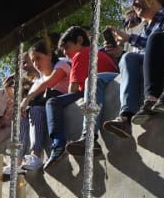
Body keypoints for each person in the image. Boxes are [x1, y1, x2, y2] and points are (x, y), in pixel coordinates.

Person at [101, 0, 164, 141]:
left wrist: (130, 39)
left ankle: (133, 113)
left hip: (163, 73)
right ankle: (125, 119)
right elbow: (137, 58)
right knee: (127, 58)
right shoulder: (143, 29)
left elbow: (161, 43)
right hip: (144, 72)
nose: (133, 4)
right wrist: (118, 53)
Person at [43, 27, 117, 171]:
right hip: (107, 83)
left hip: (89, 90)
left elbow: (73, 89)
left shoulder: (80, 54)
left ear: (79, 40)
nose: (65, 53)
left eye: (66, 47)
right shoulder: (103, 52)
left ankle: (58, 146)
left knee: (52, 102)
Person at [20, 39, 71, 171]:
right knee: (22, 117)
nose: (36, 64)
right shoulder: (39, 80)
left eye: (39, 58)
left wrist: (28, 98)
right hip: (47, 107)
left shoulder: (62, 64)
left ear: (48, 55)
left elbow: (49, 82)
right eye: (33, 60)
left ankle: (36, 155)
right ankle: (20, 160)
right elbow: (32, 95)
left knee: (35, 110)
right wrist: (23, 106)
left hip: (62, 104)